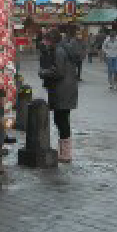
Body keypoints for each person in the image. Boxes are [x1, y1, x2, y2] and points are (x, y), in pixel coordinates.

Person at [39, 28, 78, 162]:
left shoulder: (59, 51)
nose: (44, 43)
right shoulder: (62, 49)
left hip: (62, 90)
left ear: (51, 40)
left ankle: (66, 154)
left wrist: (43, 72)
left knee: (61, 120)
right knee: (62, 119)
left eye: (46, 40)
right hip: (66, 89)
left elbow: (58, 71)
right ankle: (64, 152)